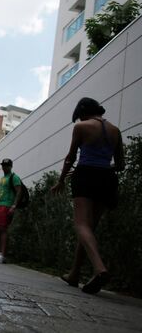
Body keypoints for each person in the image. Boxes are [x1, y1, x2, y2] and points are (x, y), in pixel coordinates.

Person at [51, 97, 125, 294]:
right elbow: (120, 165)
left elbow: (71, 157)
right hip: (107, 178)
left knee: (81, 225)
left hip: (85, 175)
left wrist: (61, 180)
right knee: (89, 230)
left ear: (82, 112)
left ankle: (100, 269)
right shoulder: (115, 130)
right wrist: (103, 166)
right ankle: (74, 274)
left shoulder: (82, 127)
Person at [0, 158, 23, 264]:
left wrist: (14, 206)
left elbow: (19, 192)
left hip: (7, 206)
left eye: (6, 165)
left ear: (10, 166)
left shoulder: (14, 177)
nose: (4, 167)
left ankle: (2, 255)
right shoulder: (2, 178)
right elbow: (0, 193)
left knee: (3, 229)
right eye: (3, 165)